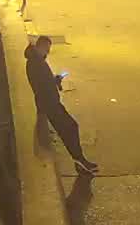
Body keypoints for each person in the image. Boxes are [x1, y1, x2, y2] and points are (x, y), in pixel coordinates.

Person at [26, 36, 98, 175]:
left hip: (51, 103)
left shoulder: (37, 61)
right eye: (47, 48)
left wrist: (54, 80)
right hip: (50, 105)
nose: (48, 51)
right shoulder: (35, 63)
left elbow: (44, 82)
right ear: (40, 47)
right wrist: (54, 82)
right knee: (70, 128)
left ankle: (79, 159)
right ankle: (79, 160)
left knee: (70, 128)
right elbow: (41, 86)